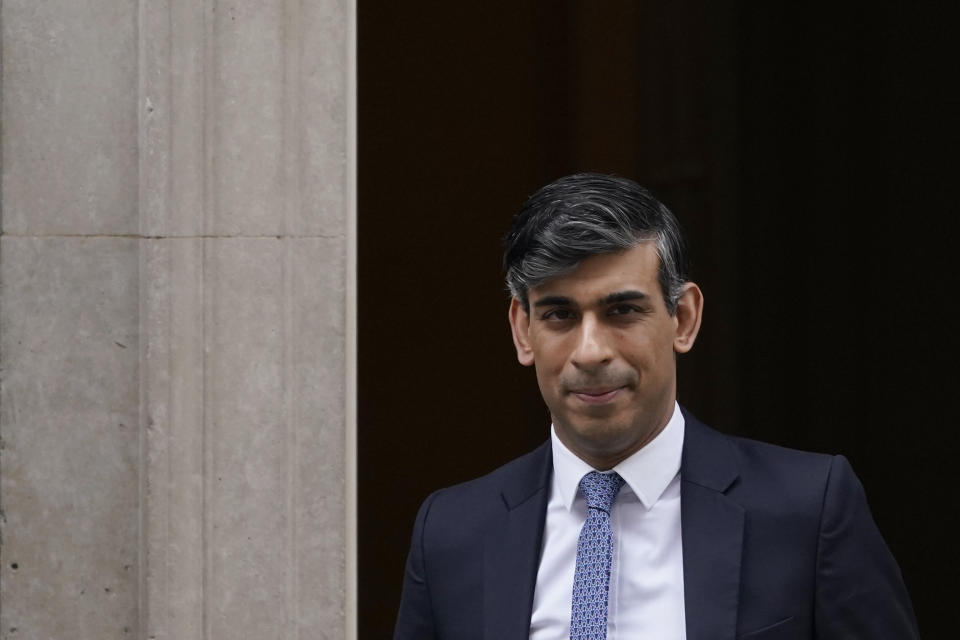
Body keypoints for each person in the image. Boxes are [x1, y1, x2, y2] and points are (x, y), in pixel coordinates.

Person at [393, 173, 918, 639]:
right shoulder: (452, 533)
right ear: (522, 330)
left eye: (622, 310)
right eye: (559, 315)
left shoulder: (808, 510)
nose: (591, 351)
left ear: (683, 318)